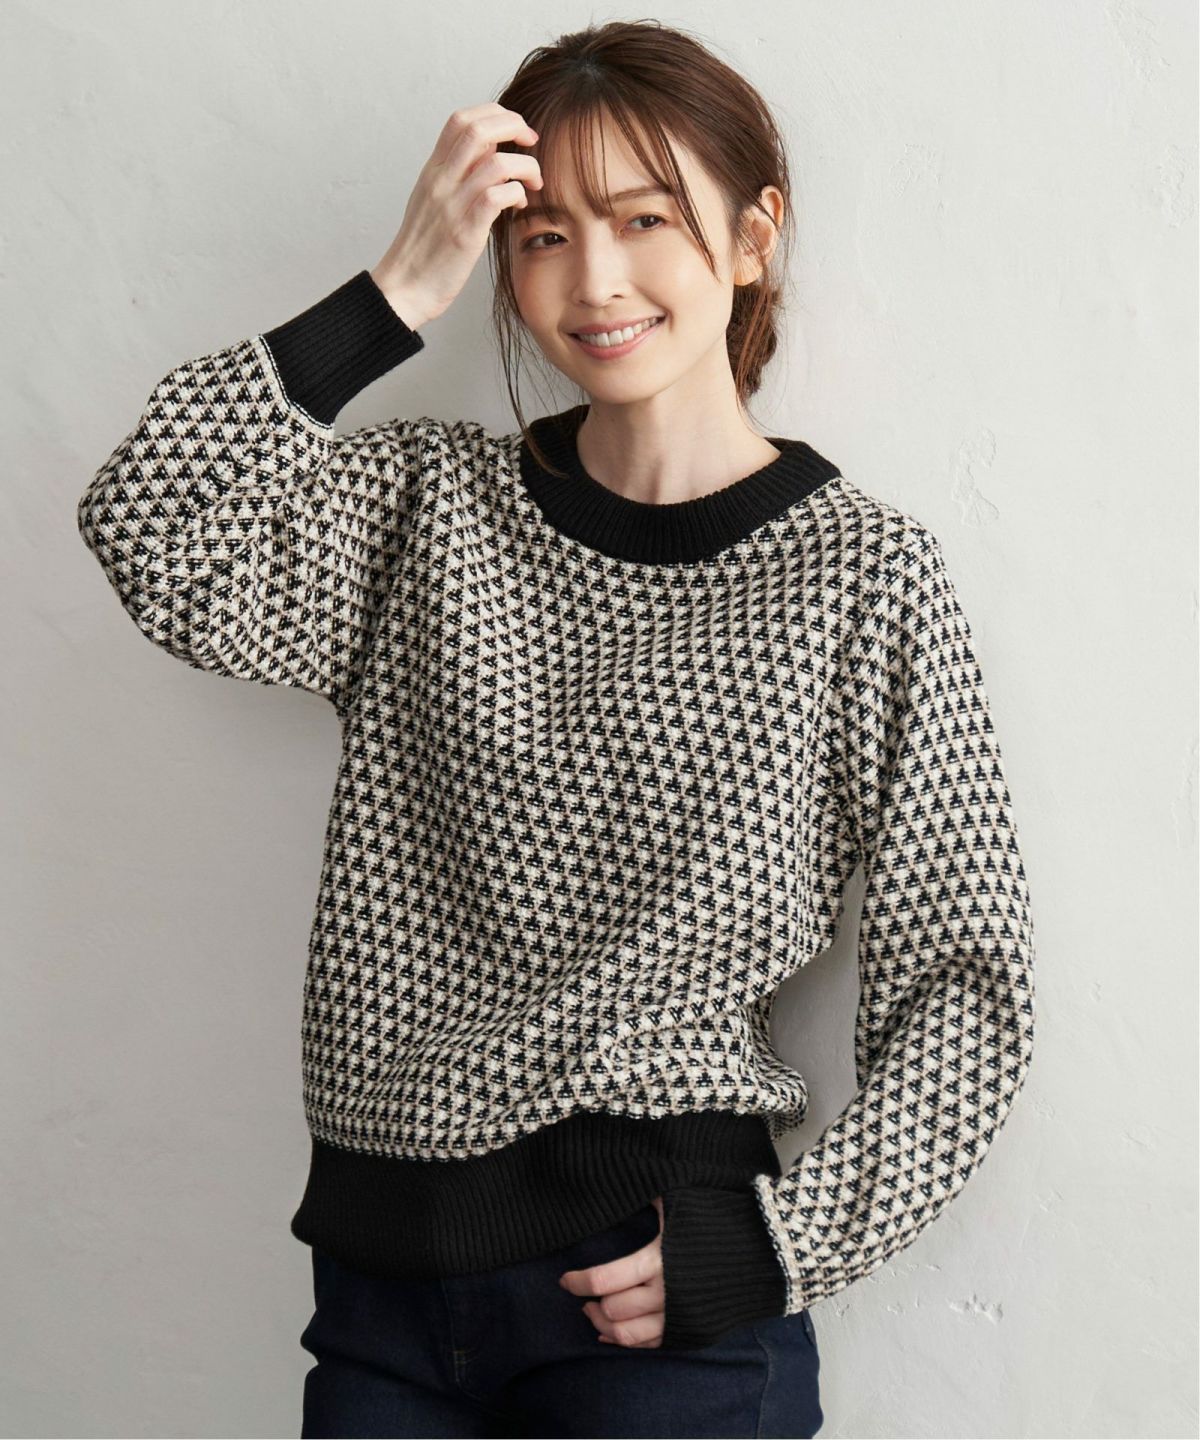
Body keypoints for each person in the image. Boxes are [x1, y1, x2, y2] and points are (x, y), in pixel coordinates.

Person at [76, 18, 1037, 1440]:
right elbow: (150, 527)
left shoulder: (863, 579)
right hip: (382, 1307)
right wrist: (393, 291)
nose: (592, 281)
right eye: (540, 237)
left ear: (753, 237)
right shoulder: (424, 510)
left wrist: (782, 1244)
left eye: (644, 220)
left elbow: (966, 979)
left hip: (661, 1307)